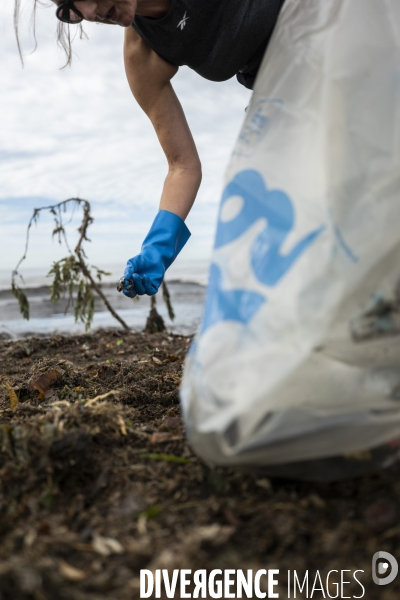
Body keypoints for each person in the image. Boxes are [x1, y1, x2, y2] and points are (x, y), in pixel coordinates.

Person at [27, 0, 285, 297]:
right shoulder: (142, 53)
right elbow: (182, 165)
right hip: (284, 89)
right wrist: (156, 248)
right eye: (69, 10)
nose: (87, 13)